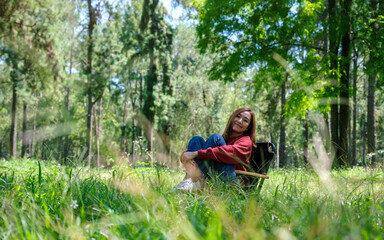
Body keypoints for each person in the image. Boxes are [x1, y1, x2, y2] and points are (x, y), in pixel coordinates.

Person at [173, 107, 257, 191]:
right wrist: (186, 154)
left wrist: (195, 153)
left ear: (248, 127)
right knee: (196, 139)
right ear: (232, 117)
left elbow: (225, 153)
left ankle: (192, 181)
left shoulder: (246, 141)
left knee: (215, 137)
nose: (239, 121)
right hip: (214, 174)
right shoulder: (226, 139)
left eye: (245, 120)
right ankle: (190, 182)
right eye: (238, 116)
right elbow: (208, 151)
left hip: (231, 180)